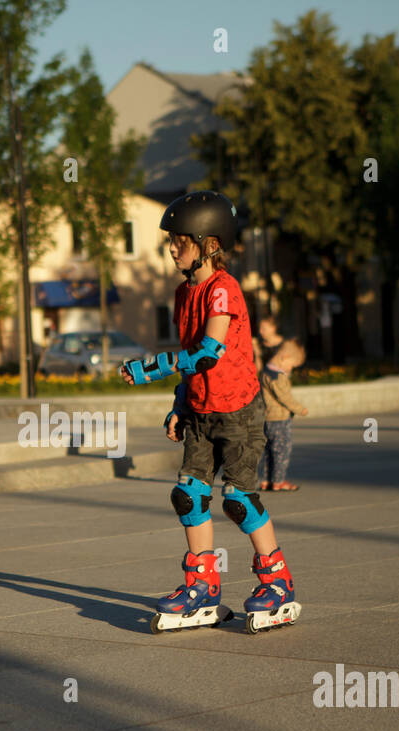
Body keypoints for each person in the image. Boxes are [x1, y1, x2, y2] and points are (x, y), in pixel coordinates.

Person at [120, 190, 300, 634]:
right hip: (200, 410)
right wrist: (180, 405)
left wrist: (150, 369)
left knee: (238, 500)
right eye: (172, 241)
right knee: (189, 496)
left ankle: (277, 582)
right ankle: (202, 585)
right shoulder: (184, 293)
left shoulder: (224, 290)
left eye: (180, 241)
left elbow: (207, 354)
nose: (172, 248)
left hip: (238, 410)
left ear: (210, 244)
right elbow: (190, 358)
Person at [257, 338, 309, 492]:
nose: (291, 370)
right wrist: (300, 409)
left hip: (267, 418)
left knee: (269, 451)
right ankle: (278, 481)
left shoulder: (266, 371)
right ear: (284, 357)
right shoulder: (277, 377)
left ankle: (267, 480)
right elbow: (284, 397)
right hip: (278, 419)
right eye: (292, 365)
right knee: (281, 450)